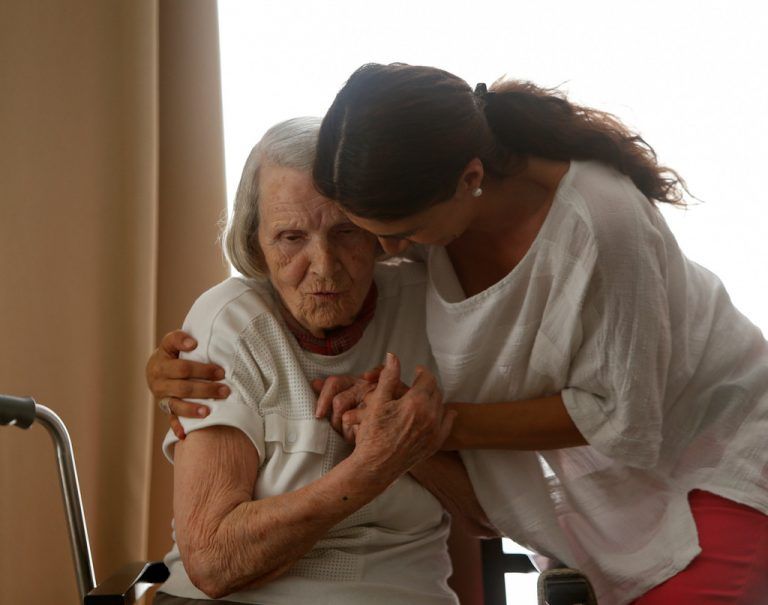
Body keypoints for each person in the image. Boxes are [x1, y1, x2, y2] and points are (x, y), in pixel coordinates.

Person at [149, 66, 768, 603]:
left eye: (361, 235)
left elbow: (619, 425)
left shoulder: (582, 233)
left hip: (711, 447)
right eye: (292, 238)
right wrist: (171, 364)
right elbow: (212, 563)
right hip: (602, 491)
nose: (354, 262)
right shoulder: (248, 311)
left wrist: (423, 432)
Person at [149, 116, 489, 605]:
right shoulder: (229, 321)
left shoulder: (429, 303)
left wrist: (414, 440)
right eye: (291, 238)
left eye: (346, 232)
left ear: (377, 231)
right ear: (255, 244)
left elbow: (485, 518)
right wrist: (374, 465)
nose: (325, 266)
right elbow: (213, 562)